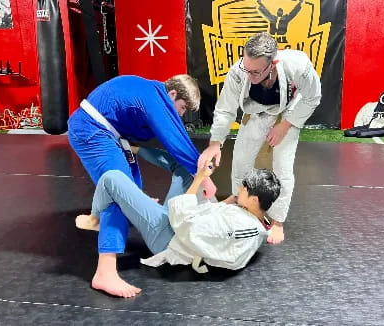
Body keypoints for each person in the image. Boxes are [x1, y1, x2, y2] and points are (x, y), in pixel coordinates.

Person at [68, 74, 217, 298]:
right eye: (183, 107)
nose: (182, 114)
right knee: (118, 189)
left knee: (132, 185)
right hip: (91, 130)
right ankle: (104, 272)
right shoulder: (155, 98)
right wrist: (204, 176)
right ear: (173, 94)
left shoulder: (152, 92)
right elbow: (176, 139)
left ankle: (94, 219)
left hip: (107, 131)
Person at [198, 32, 321, 245]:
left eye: (255, 71)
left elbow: (313, 97)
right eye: (247, 68)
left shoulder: (297, 65)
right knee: (240, 162)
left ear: (273, 63)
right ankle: (241, 204)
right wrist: (216, 143)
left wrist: (285, 125)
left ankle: (277, 222)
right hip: (255, 111)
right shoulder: (239, 72)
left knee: (282, 166)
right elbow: (225, 109)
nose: (249, 75)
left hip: (287, 112)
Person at [85, 164, 280, 297]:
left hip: (167, 237)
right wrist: (226, 204)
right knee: (185, 169)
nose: (239, 189)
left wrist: (200, 180)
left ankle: (94, 219)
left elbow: (186, 225)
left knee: (111, 178)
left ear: (255, 199)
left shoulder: (240, 228)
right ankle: (137, 152)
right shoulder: (254, 218)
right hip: (178, 224)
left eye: (244, 188)